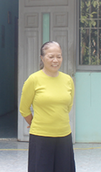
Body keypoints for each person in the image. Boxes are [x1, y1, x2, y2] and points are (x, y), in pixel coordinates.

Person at [19, 41, 76, 172]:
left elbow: (68, 106)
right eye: (51, 56)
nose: (55, 60)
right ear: (42, 58)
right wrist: (35, 122)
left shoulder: (68, 80)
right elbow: (24, 108)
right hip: (40, 138)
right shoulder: (33, 79)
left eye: (59, 56)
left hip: (64, 136)